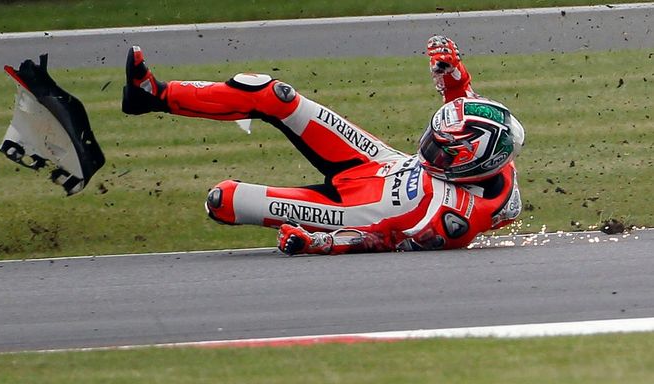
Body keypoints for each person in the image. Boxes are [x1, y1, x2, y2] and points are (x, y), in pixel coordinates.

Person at [122, 36, 525, 255]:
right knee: (270, 93)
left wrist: (321, 243)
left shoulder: (453, 222)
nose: (428, 151)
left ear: (470, 167)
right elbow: (460, 101)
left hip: (350, 210)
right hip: (375, 163)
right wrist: (451, 68)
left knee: (223, 199)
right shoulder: (477, 146)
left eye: (439, 153)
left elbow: (382, 240)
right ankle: (152, 94)